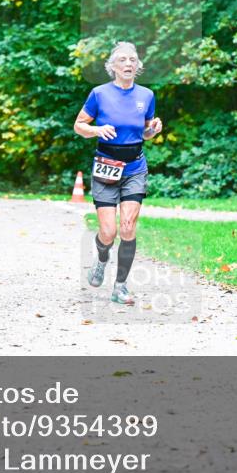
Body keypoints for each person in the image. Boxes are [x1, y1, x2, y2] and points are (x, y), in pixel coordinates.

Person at [73, 42, 163, 305]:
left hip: (135, 166)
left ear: (138, 66)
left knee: (128, 227)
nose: (128, 64)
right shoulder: (99, 94)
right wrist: (97, 130)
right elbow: (79, 125)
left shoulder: (146, 95)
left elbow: (144, 132)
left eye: (133, 60)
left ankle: (120, 287)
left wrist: (153, 130)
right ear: (112, 66)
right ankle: (101, 258)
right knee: (109, 232)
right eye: (122, 60)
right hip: (106, 165)